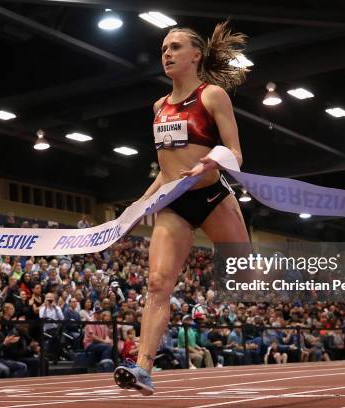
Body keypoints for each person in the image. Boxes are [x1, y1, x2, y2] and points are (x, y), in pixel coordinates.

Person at [113, 21, 250, 396]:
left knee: (245, 277)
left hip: (211, 198)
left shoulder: (212, 96)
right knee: (157, 284)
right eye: (163, 49)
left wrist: (214, 162)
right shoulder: (159, 107)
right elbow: (166, 171)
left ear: (196, 55)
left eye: (175, 47)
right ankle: (142, 368)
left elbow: (235, 152)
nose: (167, 54)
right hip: (173, 202)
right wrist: (140, 205)